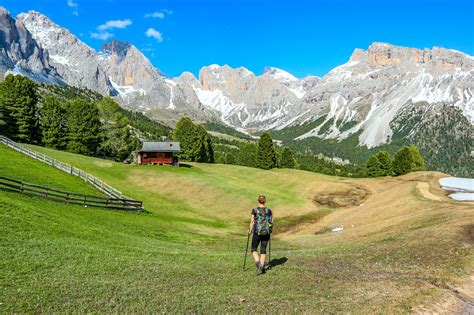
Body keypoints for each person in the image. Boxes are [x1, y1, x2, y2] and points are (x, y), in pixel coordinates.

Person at [248, 195, 273, 275]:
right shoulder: (269, 210)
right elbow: (271, 221)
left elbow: (252, 221)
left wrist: (250, 230)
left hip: (257, 232)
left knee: (253, 249)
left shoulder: (254, 210)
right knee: (263, 250)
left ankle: (259, 265)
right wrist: (270, 229)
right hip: (266, 233)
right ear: (265, 201)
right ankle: (261, 267)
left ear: (258, 201)